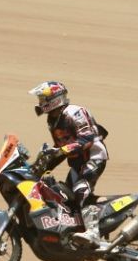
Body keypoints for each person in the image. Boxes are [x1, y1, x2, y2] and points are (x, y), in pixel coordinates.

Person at [28, 81, 110, 248]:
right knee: (66, 197)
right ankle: (78, 230)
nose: (40, 103)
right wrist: (41, 168)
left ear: (54, 98)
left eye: (43, 98)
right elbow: (60, 150)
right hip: (77, 164)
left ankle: (93, 234)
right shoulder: (53, 120)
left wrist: (60, 150)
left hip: (93, 157)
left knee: (81, 190)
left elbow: (87, 139)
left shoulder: (75, 112)